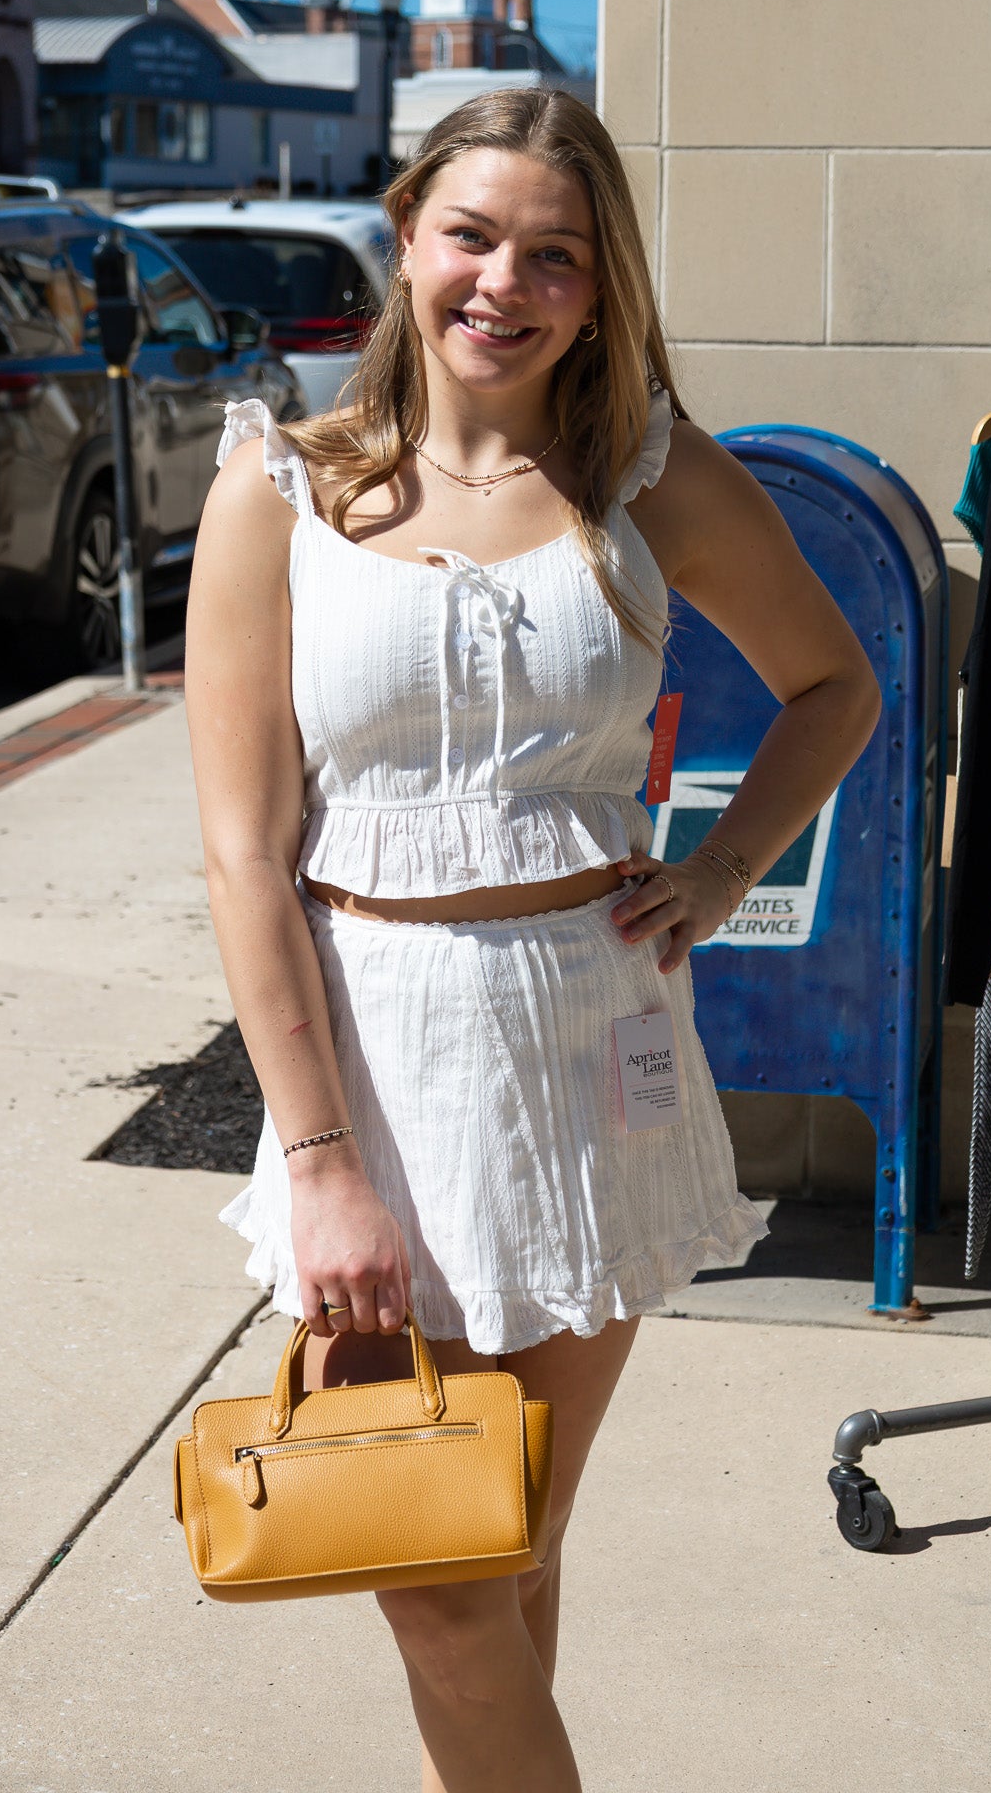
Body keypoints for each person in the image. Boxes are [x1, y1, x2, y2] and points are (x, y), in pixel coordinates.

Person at [185, 87, 880, 1793]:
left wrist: (717, 876)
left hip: (592, 1050)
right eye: (472, 236)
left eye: (551, 253)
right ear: (407, 235)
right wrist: (322, 1156)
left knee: (499, 1545)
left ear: (598, 280)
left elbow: (832, 685)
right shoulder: (280, 487)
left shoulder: (642, 466)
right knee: (440, 1579)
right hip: (375, 1059)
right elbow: (243, 853)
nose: (504, 282)